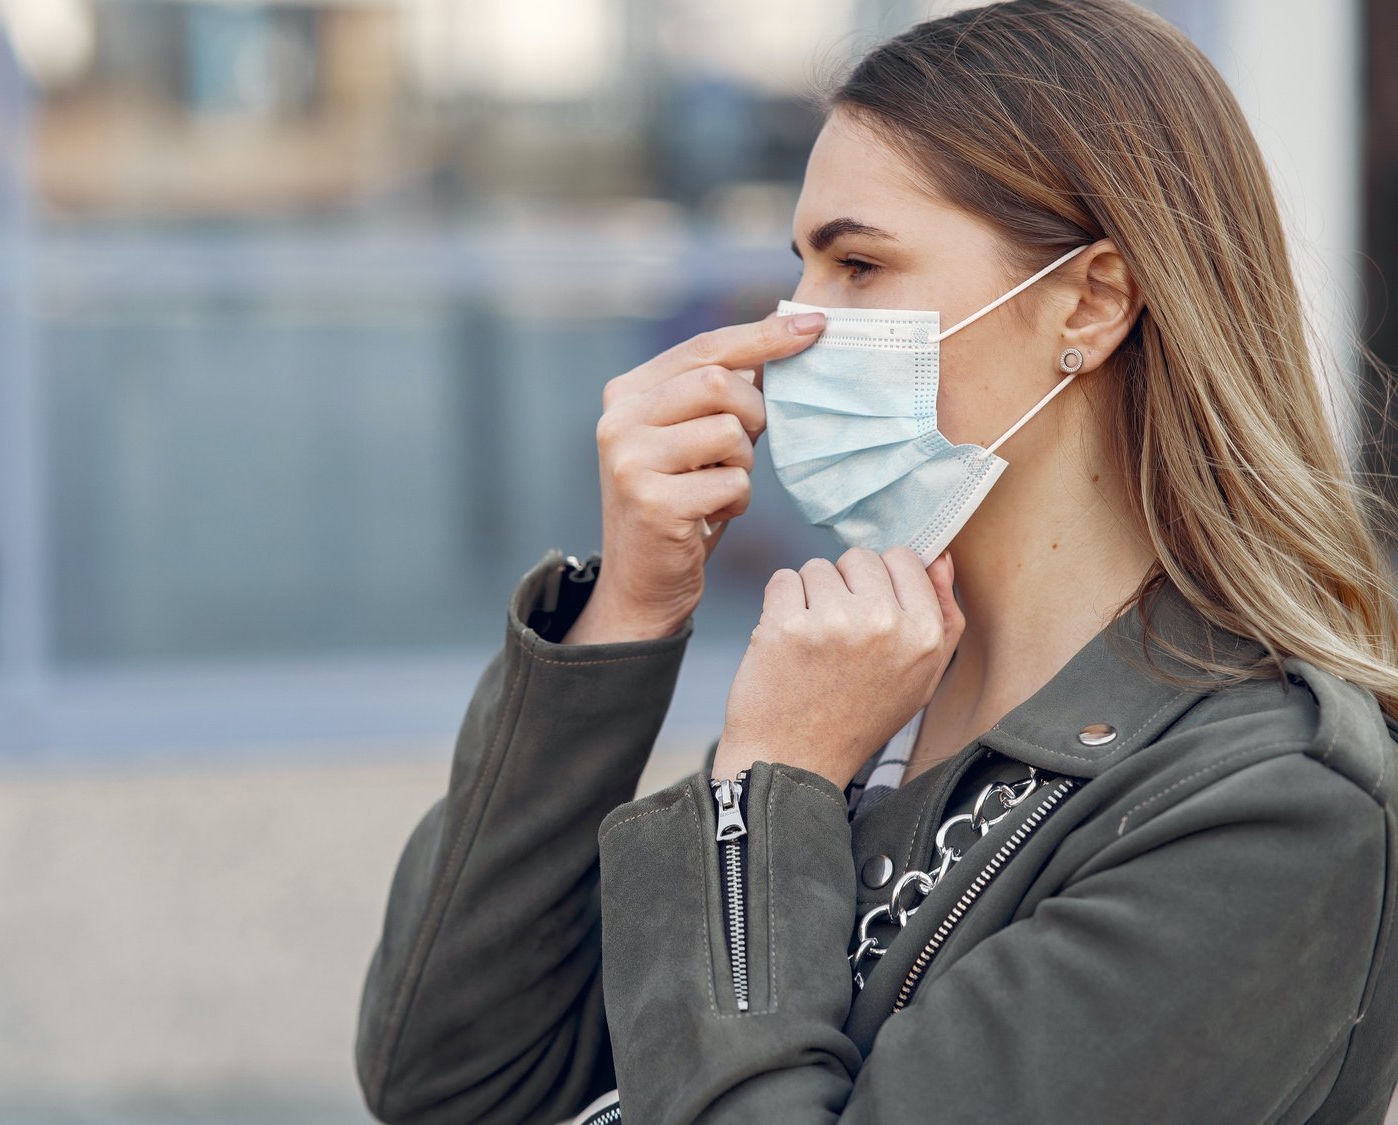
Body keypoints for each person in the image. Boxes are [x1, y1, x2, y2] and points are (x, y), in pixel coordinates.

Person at [355, 1, 1398, 1121]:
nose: (795, 327)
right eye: (801, 266)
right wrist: (629, 610)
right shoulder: (876, 693)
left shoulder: (1270, 808)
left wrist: (763, 795)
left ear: (1091, 303)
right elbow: (451, 1072)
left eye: (858, 264)